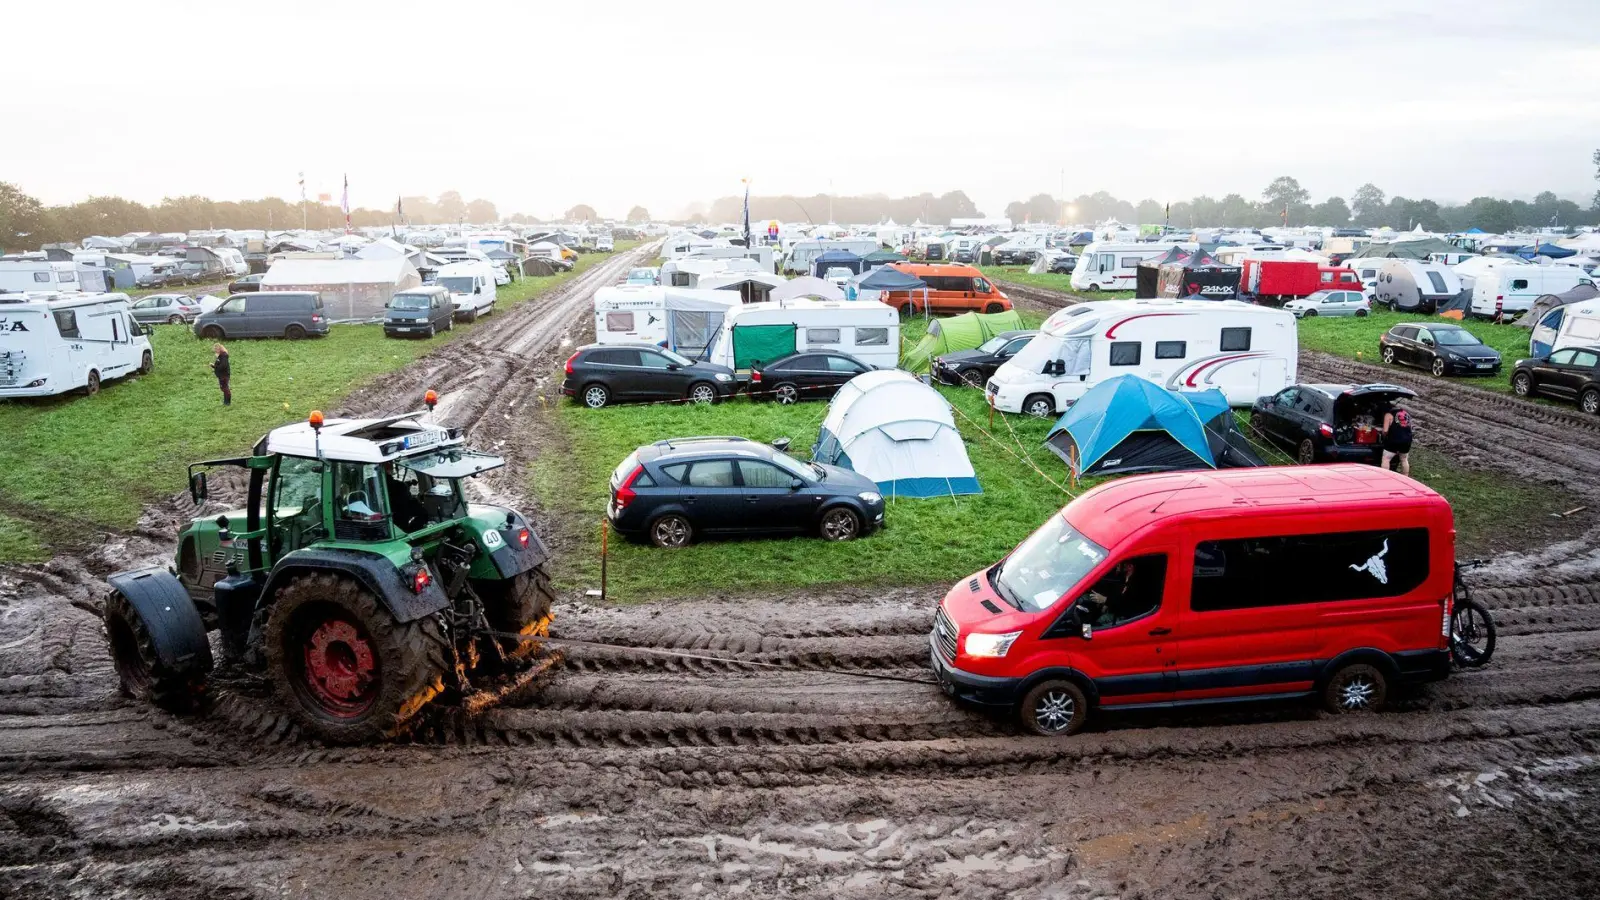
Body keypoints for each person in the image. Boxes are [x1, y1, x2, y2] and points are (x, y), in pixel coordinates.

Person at [1381, 403, 1413, 475]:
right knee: (1404, 460)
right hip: (1407, 440)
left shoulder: (1388, 414)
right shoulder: (1406, 414)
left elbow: (1385, 431)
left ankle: (1384, 476)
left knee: (1386, 459)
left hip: (1394, 440)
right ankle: (1405, 477)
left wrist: (1383, 436)